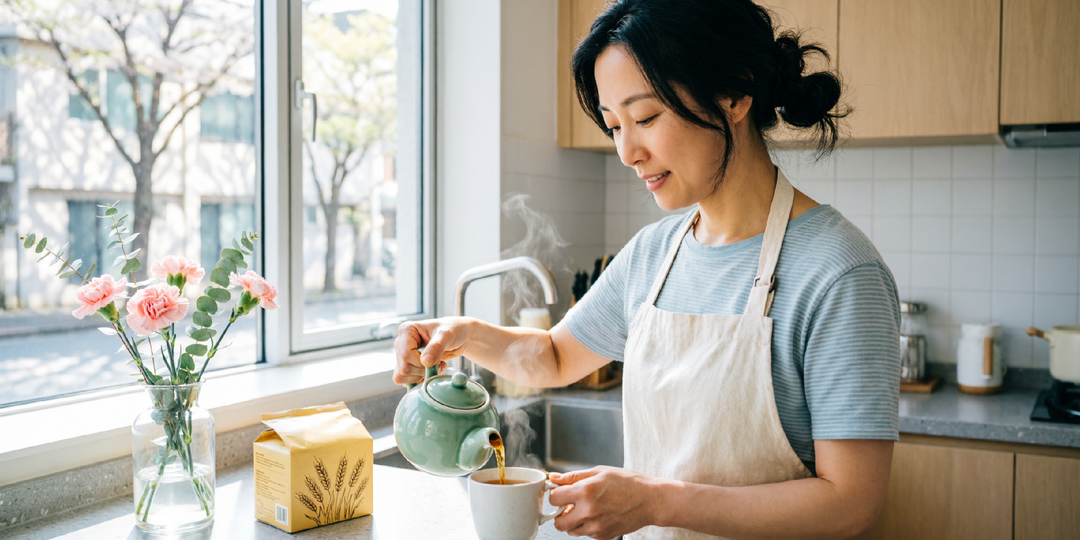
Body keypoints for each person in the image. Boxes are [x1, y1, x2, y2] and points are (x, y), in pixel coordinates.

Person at [393, 0, 900, 538]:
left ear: (734, 94)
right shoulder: (654, 255)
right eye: (614, 125)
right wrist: (463, 336)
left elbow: (850, 504)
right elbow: (555, 356)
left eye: (646, 117)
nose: (627, 151)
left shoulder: (840, 272)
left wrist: (658, 501)